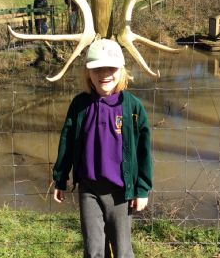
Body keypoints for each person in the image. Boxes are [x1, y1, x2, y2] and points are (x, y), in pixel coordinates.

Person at [53, 38, 152, 258]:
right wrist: (60, 178)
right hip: (89, 190)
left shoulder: (133, 107)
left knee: (122, 251)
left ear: (121, 70)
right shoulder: (80, 105)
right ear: (88, 73)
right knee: (93, 250)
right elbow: (67, 142)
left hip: (120, 193)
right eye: (97, 69)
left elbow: (144, 151)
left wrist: (142, 189)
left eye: (111, 68)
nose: (104, 74)